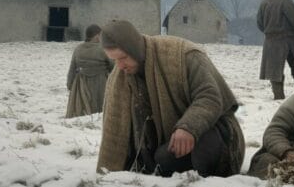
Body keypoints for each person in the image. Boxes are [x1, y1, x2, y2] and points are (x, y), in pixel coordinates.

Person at [96, 20, 245, 177]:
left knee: (176, 155)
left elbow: (209, 97)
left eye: (123, 57)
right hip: (166, 142)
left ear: (134, 49)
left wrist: (188, 127)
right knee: (157, 160)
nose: (119, 66)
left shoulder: (183, 55)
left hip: (216, 132)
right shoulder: (122, 76)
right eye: (114, 60)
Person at [65, 24, 114, 118]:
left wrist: (70, 84)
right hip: (100, 82)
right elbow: (113, 66)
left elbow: (72, 68)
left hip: (81, 83)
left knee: (82, 109)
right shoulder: (103, 49)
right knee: (100, 108)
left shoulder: (78, 49)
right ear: (97, 36)